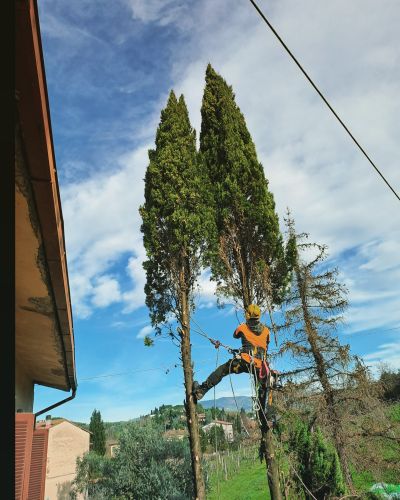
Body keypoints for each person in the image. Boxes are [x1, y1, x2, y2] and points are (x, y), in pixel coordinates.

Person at [192, 304, 271, 404]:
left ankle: (201, 391)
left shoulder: (243, 327)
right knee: (262, 388)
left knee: (223, 369)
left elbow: (235, 335)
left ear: (247, 315)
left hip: (244, 362)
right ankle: (262, 409)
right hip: (260, 367)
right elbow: (265, 343)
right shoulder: (266, 331)